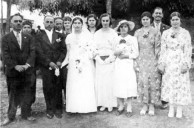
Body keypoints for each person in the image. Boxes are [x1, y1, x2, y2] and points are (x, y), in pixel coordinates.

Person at [2, 13, 36, 126]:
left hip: (27, 71)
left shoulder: (29, 37)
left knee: (27, 93)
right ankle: (10, 116)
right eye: (15, 21)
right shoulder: (5, 38)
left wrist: (27, 65)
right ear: (11, 23)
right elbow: (5, 55)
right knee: (13, 94)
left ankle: (26, 114)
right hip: (13, 71)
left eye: (20, 21)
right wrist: (15, 66)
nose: (18, 23)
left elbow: (32, 52)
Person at [158, 12, 192, 118]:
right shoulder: (166, 33)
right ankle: (171, 108)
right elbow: (163, 49)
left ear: (180, 20)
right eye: (173, 20)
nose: (175, 21)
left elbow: (188, 49)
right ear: (170, 21)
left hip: (180, 59)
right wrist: (162, 63)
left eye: (177, 19)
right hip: (169, 61)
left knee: (180, 84)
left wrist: (186, 63)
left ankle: (180, 109)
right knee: (170, 84)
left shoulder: (185, 33)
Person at [36, 15, 66, 119]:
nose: (49, 23)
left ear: (54, 23)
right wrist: (49, 62)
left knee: (57, 87)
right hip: (46, 66)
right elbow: (39, 52)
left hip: (57, 66)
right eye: (47, 22)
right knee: (48, 88)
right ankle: (49, 109)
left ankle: (58, 109)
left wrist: (59, 61)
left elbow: (63, 50)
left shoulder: (60, 35)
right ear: (44, 23)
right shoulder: (38, 36)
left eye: (51, 22)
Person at [65, 16, 97, 113]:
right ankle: (74, 107)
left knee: (85, 83)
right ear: (72, 25)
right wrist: (67, 62)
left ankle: (86, 106)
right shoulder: (69, 37)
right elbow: (69, 51)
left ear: (82, 25)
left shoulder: (87, 36)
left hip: (85, 62)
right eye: (75, 23)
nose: (77, 25)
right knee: (74, 83)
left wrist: (85, 58)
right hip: (73, 62)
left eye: (79, 23)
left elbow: (92, 49)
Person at [134, 11, 161, 116]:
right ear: (141, 20)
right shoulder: (137, 32)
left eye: (147, 19)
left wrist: (157, 61)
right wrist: (136, 61)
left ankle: (152, 105)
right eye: (143, 19)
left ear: (151, 20)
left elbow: (158, 48)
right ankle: (145, 104)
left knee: (152, 83)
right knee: (143, 82)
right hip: (141, 60)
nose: (145, 21)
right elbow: (136, 48)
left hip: (152, 60)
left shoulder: (155, 32)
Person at [114, 20, 138, 117]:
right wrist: (117, 53)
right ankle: (120, 106)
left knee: (129, 84)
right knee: (119, 84)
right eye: (121, 26)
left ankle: (129, 107)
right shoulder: (116, 39)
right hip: (118, 64)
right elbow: (113, 52)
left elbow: (136, 53)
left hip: (128, 64)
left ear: (128, 28)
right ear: (119, 28)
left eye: (125, 26)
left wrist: (126, 56)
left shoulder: (132, 39)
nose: (123, 28)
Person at [94, 13, 118, 112]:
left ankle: (110, 104)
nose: (105, 23)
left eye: (107, 21)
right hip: (100, 61)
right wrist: (98, 58)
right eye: (103, 21)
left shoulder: (113, 33)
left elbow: (116, 48)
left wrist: (110, 58)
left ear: (109, 21)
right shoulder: (97, 33)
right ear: (100, 21)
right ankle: (103, 103)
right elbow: (93, 47)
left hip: (110, 60)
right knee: (101, 82)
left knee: (110, 82)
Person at [152, 7, 170, 109]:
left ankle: (164, 101)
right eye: (156, 13)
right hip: (152, 56)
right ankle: (153, 100)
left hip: (164, 56)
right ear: (153, 15)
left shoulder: (167, 28)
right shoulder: (148, 27)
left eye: (160, 13)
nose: (158, 15)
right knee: (153, 78)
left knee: (164, 78)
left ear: (162, 15)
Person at [22, 20, 37, 112]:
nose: (27, 29)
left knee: (31, 86)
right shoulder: (18, 38)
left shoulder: (34, 38)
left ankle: (29, 106)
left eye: (29, 27)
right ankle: (22, 107)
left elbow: (35, 53)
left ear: (31, 29)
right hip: (20, 66)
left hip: (31, 67)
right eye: (25, 27)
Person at [54, 17, 68, 106]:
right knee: (56, 83)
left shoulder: (65, 35)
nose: (59, 25)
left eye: (60, 23)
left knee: (65, 82)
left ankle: (67, 101)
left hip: (64, 62)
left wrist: (62, 61)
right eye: (57, 23)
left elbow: (65, 49)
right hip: (54, 62)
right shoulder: (52, 35)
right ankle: (57, 103)